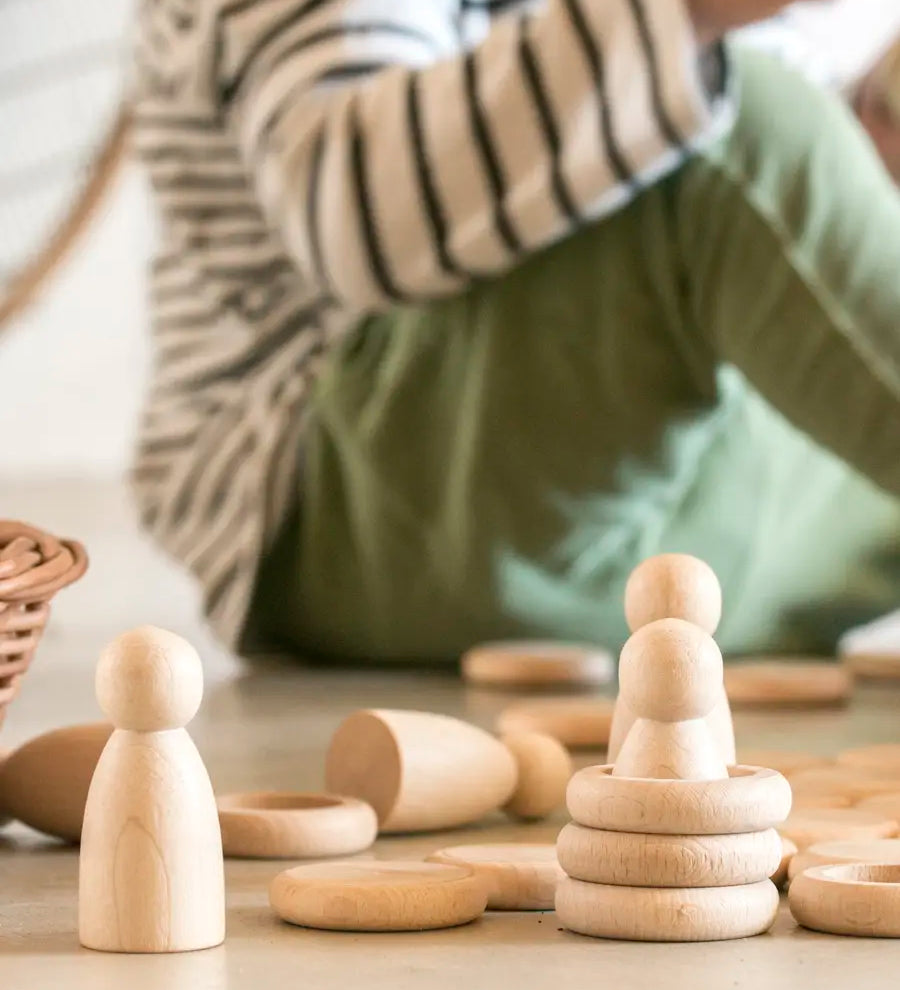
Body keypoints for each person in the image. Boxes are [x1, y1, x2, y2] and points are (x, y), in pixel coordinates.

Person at [132, 0, 900, 662]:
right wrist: (691, 15)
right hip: (355, 491)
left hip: (635, 508)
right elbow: (354, 208)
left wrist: (865, 128)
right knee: (738, 121)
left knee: (762, 113)